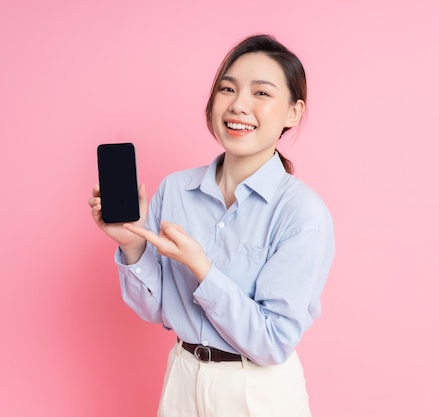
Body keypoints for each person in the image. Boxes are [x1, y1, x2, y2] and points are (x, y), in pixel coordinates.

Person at [88, 34, 335, 417]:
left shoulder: (302, 213)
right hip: (183, 380)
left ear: (293, 112)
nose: (238, 105)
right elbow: (157, 310)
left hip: (257, 391)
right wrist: (132, 245)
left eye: (261, 94)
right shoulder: (176, 189)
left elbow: (273, 341)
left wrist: (201, 267)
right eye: (228, 88)